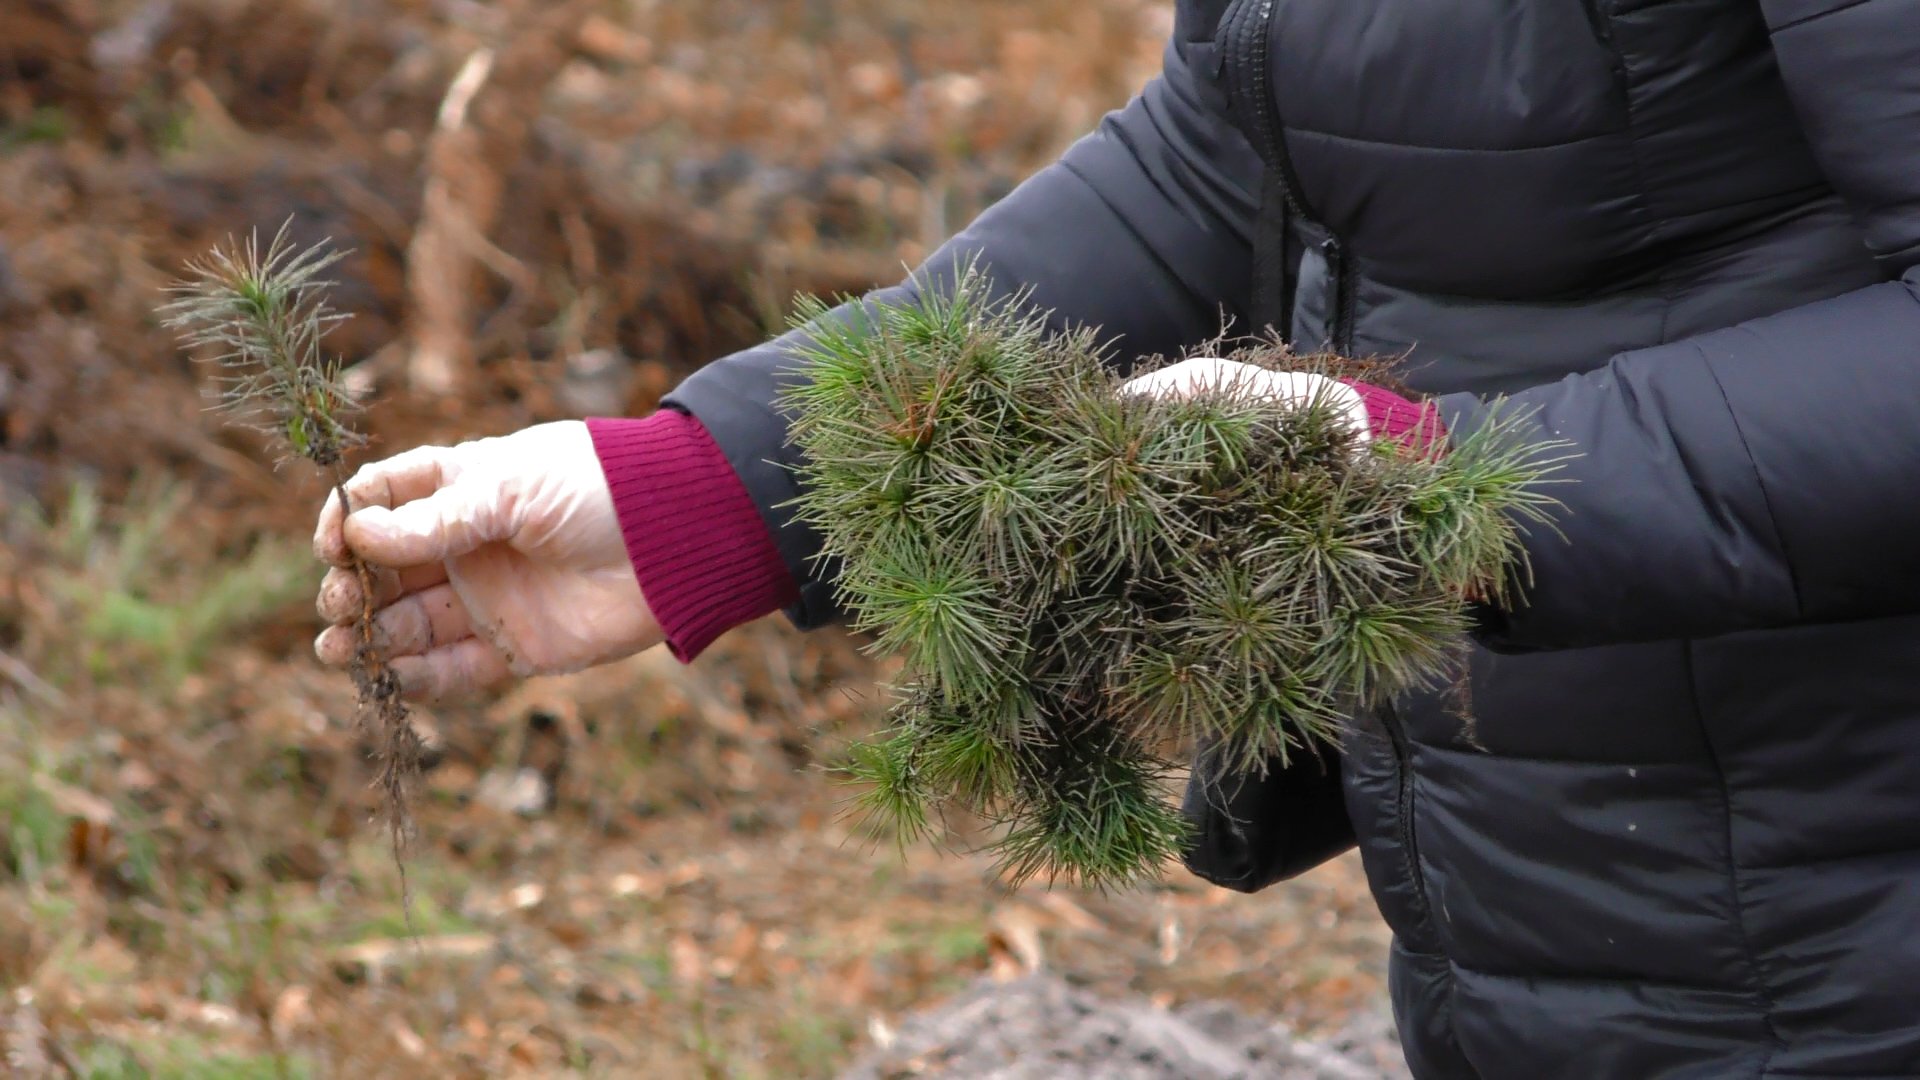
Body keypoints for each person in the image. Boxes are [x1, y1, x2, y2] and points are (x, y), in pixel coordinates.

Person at [311, 1, 1920, 1075]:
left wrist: (1433, 485)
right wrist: (704, 492)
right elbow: (1226, 156)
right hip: (1556, 872)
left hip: (1847, 891)